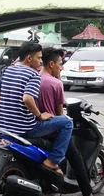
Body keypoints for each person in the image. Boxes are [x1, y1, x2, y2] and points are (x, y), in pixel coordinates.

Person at [0, 41, 73, 176]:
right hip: (26, 128)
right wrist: (40, 115)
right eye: (39, 57)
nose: (41, 61)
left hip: (5, 127)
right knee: (67, 123)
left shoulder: (5, 70)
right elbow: (27, 99)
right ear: (29, 58)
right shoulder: (33, 75)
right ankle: (53, 161)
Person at [37, 47, 93, 196]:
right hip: (52, 129)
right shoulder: (56, 84)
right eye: (60, 64)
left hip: (35, 125)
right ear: (51, 64)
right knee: (77, 160)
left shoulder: (34, 77)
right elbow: (60, 113)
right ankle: (88, 192)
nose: (61, 67)